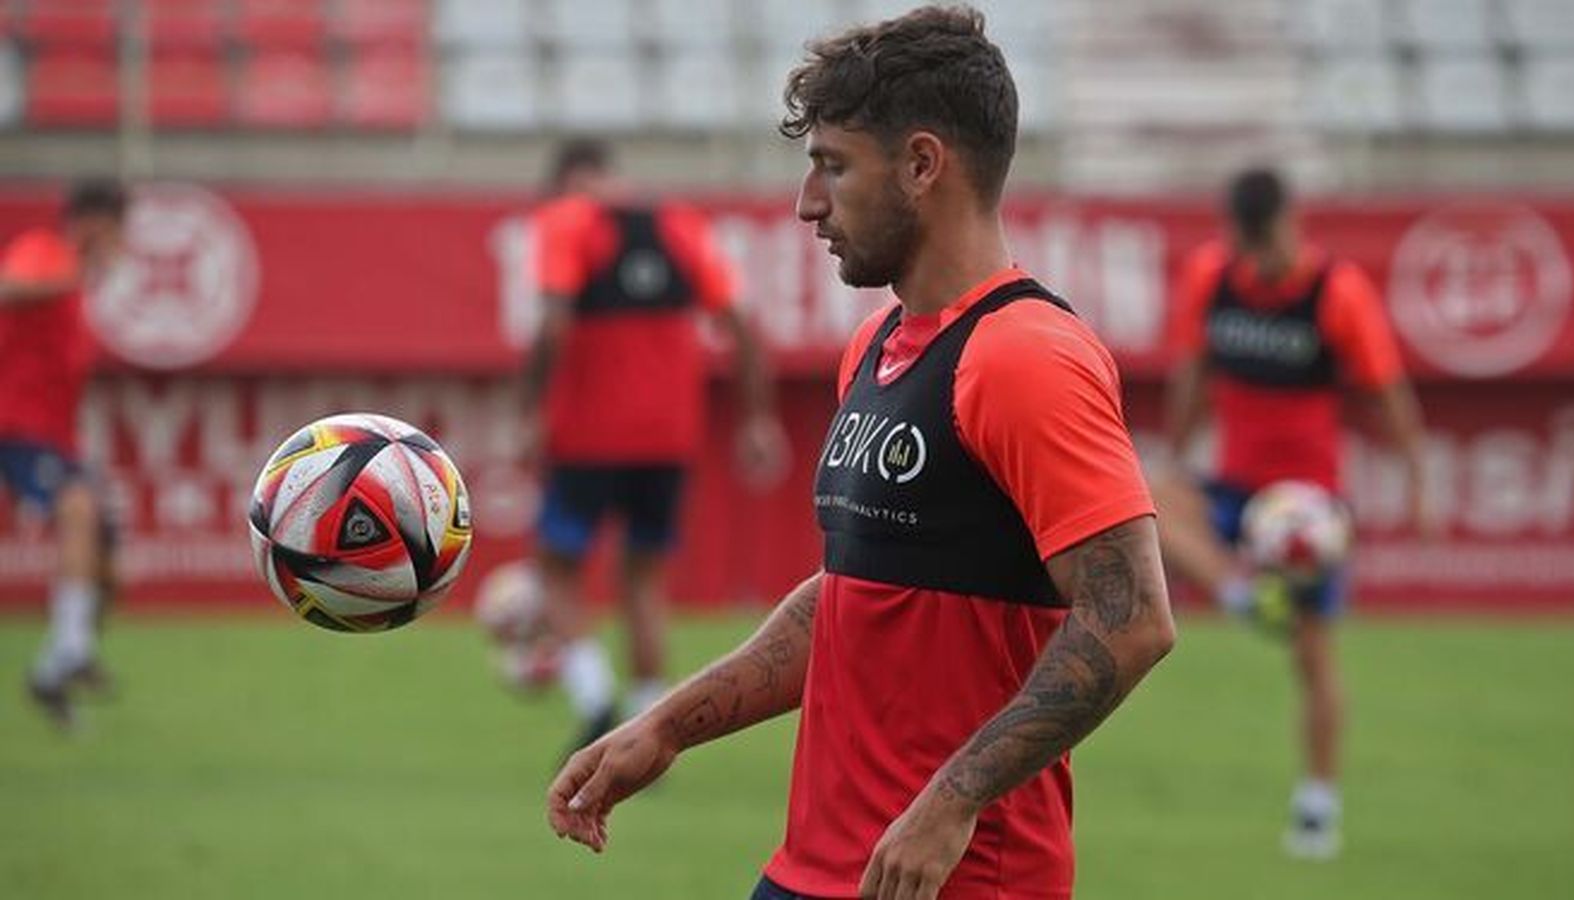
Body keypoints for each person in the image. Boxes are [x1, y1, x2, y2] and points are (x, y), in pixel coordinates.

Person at [548, 8, 1176, 899]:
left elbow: (1132, 617)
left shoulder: (1026, 356)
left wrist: (950, 800)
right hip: (818, 871)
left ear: (922, 165)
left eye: (833, 166)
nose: (808, 202)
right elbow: (854, 598)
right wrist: (670, 725)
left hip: (957, 879)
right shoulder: (879, 346)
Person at [1152, 167, 1431, 860]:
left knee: (1313, 656)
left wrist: (1418, 480)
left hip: (1307, 505)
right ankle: (1243, 594)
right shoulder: (1211, 279)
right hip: (1235, 489)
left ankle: (1318, 804)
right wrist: (1180, 452)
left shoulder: (1337, 293)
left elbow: (1387, 394)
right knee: (1145, 495)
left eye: (1266, 243)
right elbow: (1192, 375)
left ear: (1289, 223)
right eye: (1246, 245)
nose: (1258, 259)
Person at [523, 139, 788, 753]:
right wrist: (757, 419)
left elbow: (554, 323)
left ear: (566, 181)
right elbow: (743, 326)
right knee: (643, 577)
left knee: (558, 568)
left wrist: (528, 407)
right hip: (668, 437)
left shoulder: (565, 222)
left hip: (587, 434)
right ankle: (647, 725)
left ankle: (594, 700)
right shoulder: (680, 224)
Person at [1, 179, 125, 730]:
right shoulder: (47, 252)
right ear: (94, 222)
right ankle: (70, 649)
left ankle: (57, 667)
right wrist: (75, 266)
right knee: (78, 510)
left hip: (56, 438)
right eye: (117, 228)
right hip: (14, 428)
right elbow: (12, 284)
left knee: (107, 561)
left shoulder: (79, 287)